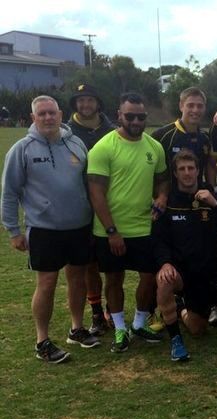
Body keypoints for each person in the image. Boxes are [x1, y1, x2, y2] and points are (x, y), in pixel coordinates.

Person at [1, 95, 98, 363]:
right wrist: (13, 231)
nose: (47, 118)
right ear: (33, 118)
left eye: (51, 113)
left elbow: (88, 185)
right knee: (47, 283)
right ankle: (42, 341)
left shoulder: (76, 143)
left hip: (79, 226)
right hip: (44, 229)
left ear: (60, 114)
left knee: (78, 278)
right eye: (41, 114)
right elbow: (9, 193)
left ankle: (76, 328)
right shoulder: (22, 149)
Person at [87, 92, 169, 353]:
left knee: (149, 278)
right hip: (111, 231)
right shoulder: (103, 147)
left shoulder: (154, 147)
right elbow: (96, 193)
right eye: (130, 116)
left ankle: (139, 323)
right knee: (114, 279)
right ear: (118, 115)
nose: (136, 121)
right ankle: (120, 328)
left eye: (141, 116)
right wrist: (112, 231)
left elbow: (163, 178)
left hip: (145, 227)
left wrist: (164, 196)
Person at [152, 149, 217, 361]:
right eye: (182, 169)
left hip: (205, 273)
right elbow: (158, 239)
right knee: (164, 280)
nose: (187, 173)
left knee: (198, 330)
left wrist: (215, 204)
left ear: (198, 170)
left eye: (191, 168)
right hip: (179, 270)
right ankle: (176, 341)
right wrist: (164, 263)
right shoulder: (168, 201)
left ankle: (180, 308)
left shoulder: (209, 195)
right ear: (175, 173)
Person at [66, 83, 116, 336]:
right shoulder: (66, 132)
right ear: (75, 104)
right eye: (81, 101)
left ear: (98, 103)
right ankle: (96, 312)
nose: (85, 105)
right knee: (89, 265)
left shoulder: (112, 130)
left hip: (112, 206)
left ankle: (112, 309)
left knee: (113, 265)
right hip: (81, 208)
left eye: (90, 100)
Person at [151, 87, 212, 184]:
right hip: (169, 198)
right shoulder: (161, 135)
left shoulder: (206, 138)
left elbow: (209, 167)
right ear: (181, 106)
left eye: (200, 106)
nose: (195, 110)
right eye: (190, 105)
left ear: (204, 108)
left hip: (198, 197)